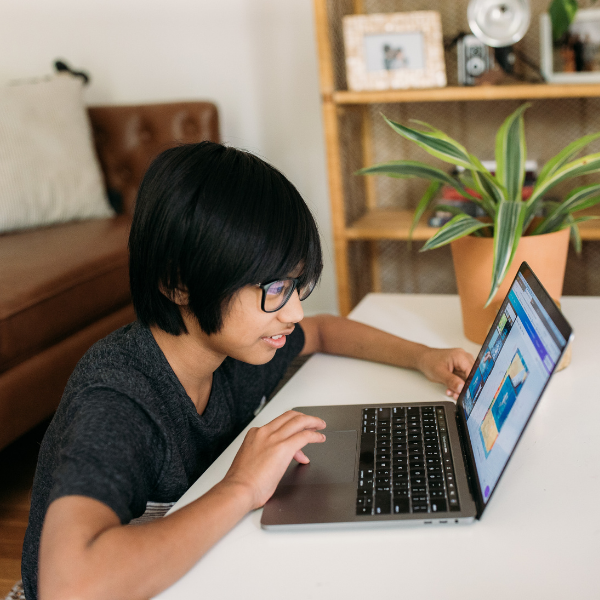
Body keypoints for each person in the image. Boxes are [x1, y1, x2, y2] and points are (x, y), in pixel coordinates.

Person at [21, 142, 474, 600]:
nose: (294, 311)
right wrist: (240, 488)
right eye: (275, 287)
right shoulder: (118, 399)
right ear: (178, 282)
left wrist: (422, 357)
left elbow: (323, 331)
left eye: (297, 285)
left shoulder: (235, 348)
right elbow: (70, 586)